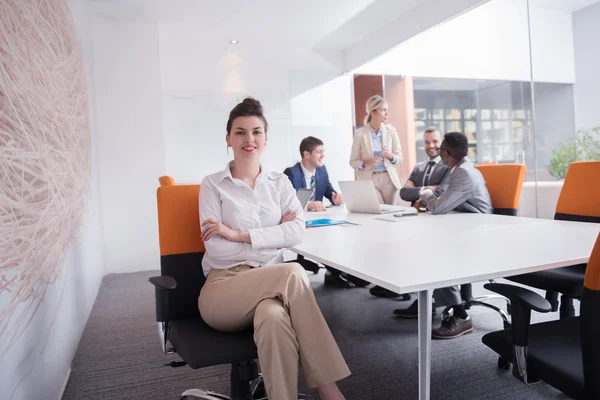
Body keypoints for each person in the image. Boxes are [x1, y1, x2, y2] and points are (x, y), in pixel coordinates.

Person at [198, 98, 350, 399]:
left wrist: (238, 234)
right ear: (228, 138)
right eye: (240, 132)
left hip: (272, 289)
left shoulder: (279, 183)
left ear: (266, 138)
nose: (249, 139)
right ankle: (328, 389)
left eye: (256, 132)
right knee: (293, 271)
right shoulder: (212, 185)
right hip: (224, 290)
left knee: (274, 319)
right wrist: (272, 235)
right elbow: (217, 251)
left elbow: (296, 231)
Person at [394, 132, 493, 339]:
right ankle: (427, 301)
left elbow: (438, 208)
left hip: (479, 230)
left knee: (433, 250)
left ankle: (461, 316)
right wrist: (433, 194)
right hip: (466, 223)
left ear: (447, 154)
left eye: (440, 151)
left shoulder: (462, 173)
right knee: (425, 241)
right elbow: (446, 200)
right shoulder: (462, 168)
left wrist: (425, 194)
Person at [369, 127, 451, 299]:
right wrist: (428, 189)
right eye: (427, 142)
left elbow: (442, 192)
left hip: (439, 219)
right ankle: (398, 285)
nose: (431, 146)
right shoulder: (419, 167)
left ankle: (426, 301)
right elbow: (404, 193)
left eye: (435, 141)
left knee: (420, 248)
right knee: (391, 237)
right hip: (418, 218)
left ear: (442, 143)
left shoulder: (448, 166)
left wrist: (419, 189)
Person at [284, 136, 370, 289]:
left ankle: (346, 271)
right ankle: (336, 273)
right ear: (306, 154)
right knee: (326, 240)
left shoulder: (321, 170)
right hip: (299, 221)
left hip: (318, 218)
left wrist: (334, 197)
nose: (323, 156)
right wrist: (307, 204)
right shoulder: (292, 173)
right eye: (319, 152)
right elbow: (287, 202)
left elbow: (328, 189)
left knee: (340, 234)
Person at [349, 95, 403, 205]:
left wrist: (390, 155)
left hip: (389, 179)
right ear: (373, 113)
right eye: (383, 110)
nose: (387, 113)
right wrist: (365, 164)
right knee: (378, 211)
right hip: (369, 179)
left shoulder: (391, 131)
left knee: (391, 213)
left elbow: (400, 159)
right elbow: (352, 162)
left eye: (387, 110)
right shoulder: (360, 133)